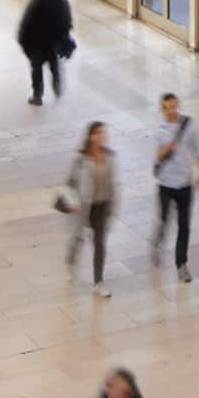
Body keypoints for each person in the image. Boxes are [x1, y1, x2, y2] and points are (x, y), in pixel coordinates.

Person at [149, 94, 199, 284]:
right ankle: (157, 242)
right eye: (167, 107)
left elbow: (197, 150)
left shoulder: (188, 125)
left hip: (185, 183)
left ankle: (181, 264)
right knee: (164, 220)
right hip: (166, 184)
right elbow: (157, 157)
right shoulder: (159, 129)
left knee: (184, 225)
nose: (171, 110)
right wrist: (168, 146)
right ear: (162, 109)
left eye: (173, 106)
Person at [61, 122, 114, 296]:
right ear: (90, 136)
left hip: (101, 205)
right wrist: (73, 202)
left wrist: (112, 207)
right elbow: (69, 183)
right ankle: (70, 263)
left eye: (103, 133)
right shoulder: (79, 159)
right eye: (97, 133)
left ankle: (98, 282)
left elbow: (113, 184)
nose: (101, 137)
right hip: (82, 207)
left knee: (99, 244)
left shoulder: (110, 156)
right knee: (77, 240)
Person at [19, 0, 74, 106]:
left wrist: (24, 42)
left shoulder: (36, 2)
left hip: (37, 44)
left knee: (36, 70)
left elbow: (26, 25)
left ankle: (37, 96)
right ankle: (57, 88)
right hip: (54, 43)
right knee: (54, 66)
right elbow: (67, 21)